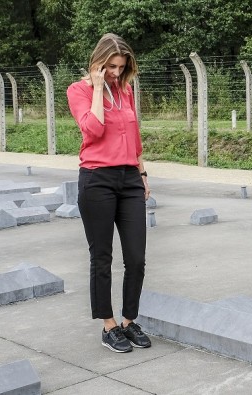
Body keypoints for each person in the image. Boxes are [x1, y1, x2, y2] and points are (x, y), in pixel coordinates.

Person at [66, 33, 152, 353]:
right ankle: (108, 325)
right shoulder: (78, 90)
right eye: (110, 66)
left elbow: (134, 135)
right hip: (96, 179)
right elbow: (93, 129)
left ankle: (129, 320)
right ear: (98, 63)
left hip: (129, 178)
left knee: (136, 258)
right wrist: (99, 88)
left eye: (121, 67)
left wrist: (142, 173)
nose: (116, 73)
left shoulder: (126, 89)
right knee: (102, 257)